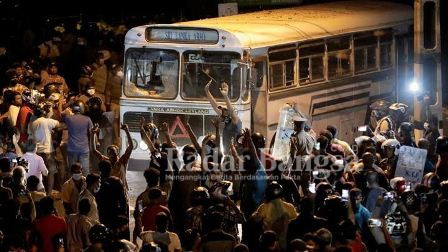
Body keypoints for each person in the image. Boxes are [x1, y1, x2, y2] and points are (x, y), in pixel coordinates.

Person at [251, 181, 298, 249]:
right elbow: (294, 224)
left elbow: (255, 222)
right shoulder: (290, 207)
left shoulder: (263, 207)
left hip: (268, 244)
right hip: (286, 243)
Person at [91, 123, 133, 193]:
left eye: (113, 151)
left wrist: (127, 131)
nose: (111, 154)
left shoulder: (122, 161)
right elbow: (94, 150)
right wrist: (93, 135)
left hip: (121, 191)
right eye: (109, 153)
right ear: (107, 154)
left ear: (117, 152)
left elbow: (131, 146)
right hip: (109, 190)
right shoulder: (106, 161)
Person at [205, 81, 241, 152]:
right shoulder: (227, 120)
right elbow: (215, 106)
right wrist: (207, 91)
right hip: (227, 154)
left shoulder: (236, 121)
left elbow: (231, 111)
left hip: (235, 154)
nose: (222, 112)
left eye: (224, 110)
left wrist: (225, 96)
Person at [64, 100, 92, 175]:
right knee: (85, 171)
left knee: (72, 170)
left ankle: (71, 185)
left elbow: (62, 113)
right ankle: (85, 185)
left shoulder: (68, 119)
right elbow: (92, 132)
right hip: (84, 149)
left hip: (72, 148)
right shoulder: (87, 119)